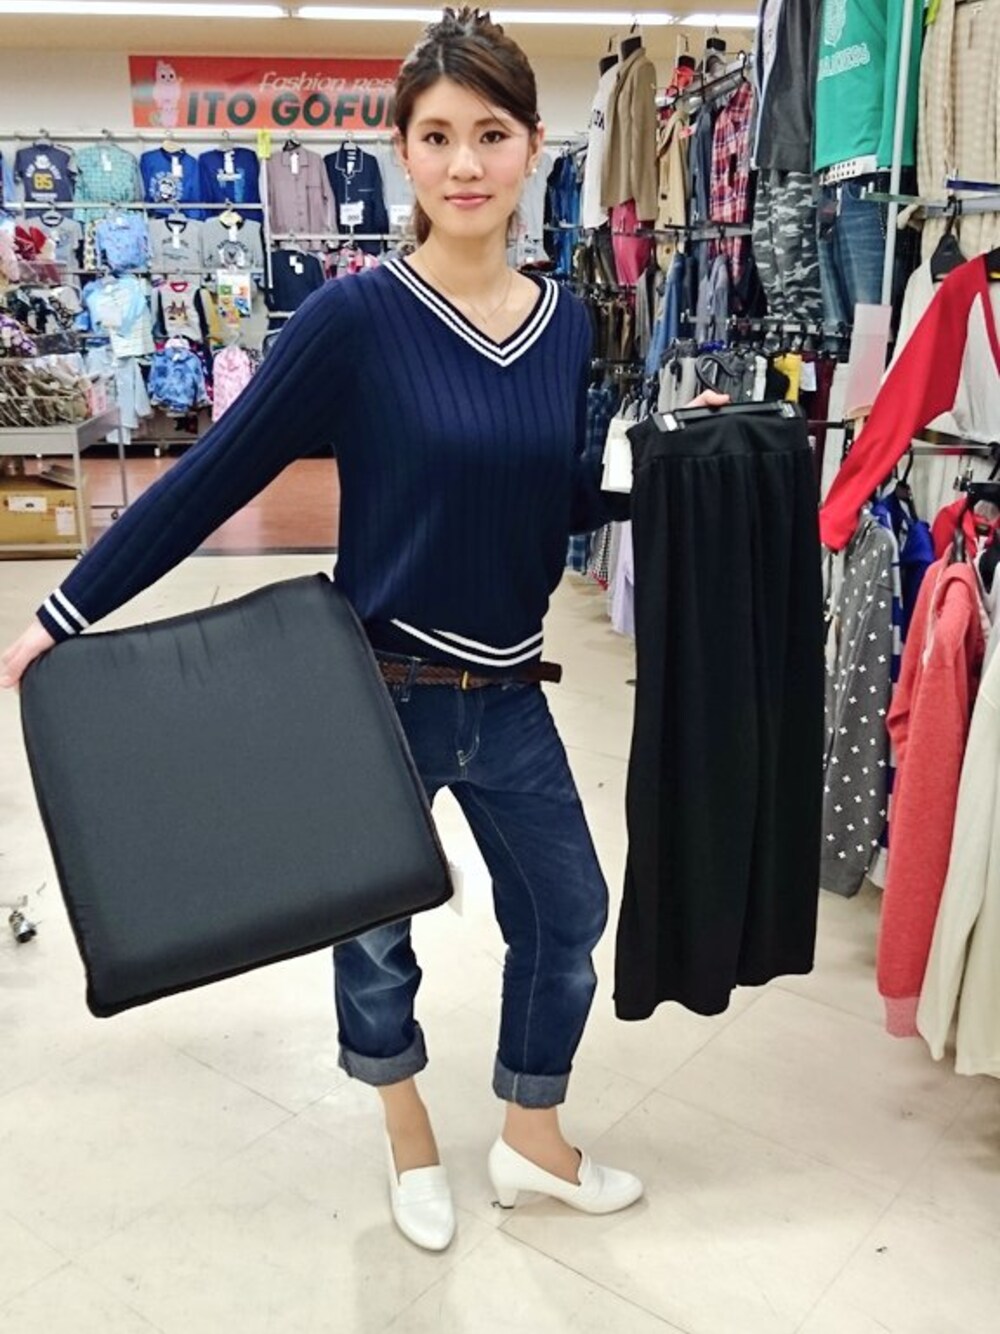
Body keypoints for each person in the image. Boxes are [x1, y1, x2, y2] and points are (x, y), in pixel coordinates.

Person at [2, 7, 721, 1251]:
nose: (463, 164)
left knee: (566, 917)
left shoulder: (561, 321)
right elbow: (209, 476)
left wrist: (663, 461)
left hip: (511, 696)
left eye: (489, 134)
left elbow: (552, 499)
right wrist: (63, 612)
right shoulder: (354, 319)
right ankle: (406, 1131)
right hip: (372, 695)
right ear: (401, 151)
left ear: (532, 145)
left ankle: (531, 1133)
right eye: (435, 136)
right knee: (375, 940)